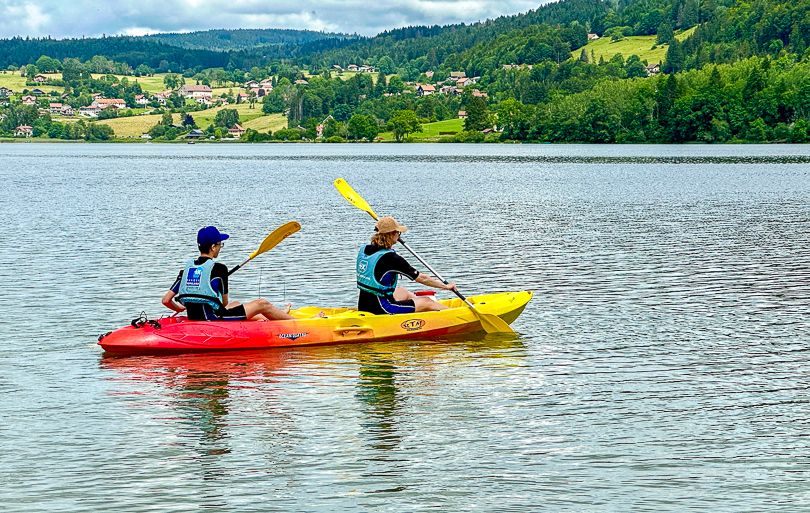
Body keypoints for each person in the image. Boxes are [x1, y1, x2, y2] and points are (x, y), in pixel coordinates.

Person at [162, 226, 302, 321]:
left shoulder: (185, 271)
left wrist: (180, 308)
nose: (219, 248)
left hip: (194, 317)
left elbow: (166, 300)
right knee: (262, 303)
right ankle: (297, 322)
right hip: (214, 319)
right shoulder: (219, 269)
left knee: (236, 304)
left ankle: (277, 316)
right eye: (219, 245)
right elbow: (224, 302)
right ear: (212, 247)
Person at [357, 216, 458, 315]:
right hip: (382, 309)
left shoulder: (364, 249)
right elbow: (422, 278)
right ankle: (455, 314)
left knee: (403, 291)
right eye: (398, 232)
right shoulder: (391, 258)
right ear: (392, 234)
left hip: (363, 305)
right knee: (427, 301)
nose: (399, 236)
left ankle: (422, 314)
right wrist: (445, 286)